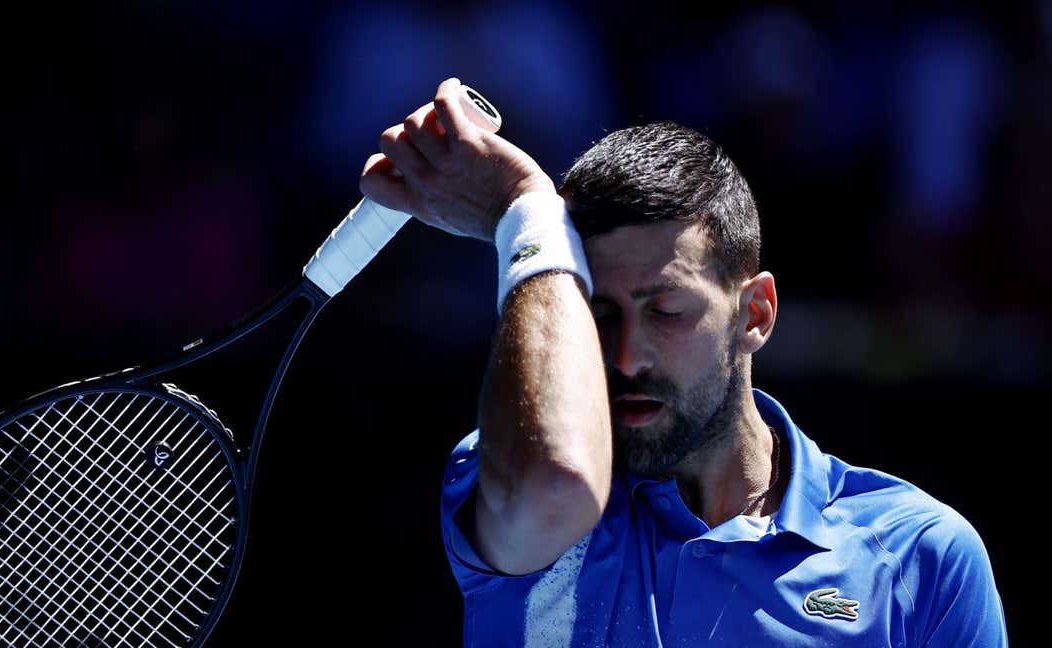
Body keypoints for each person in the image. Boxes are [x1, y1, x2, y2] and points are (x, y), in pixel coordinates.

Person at [360, 78, 1008, 647]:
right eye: (599, 313)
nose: (627, 356)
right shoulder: (503, 466)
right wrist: (524, 212)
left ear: (755, 315)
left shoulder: (923, 555)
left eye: (667, 311)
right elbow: (554, 484)